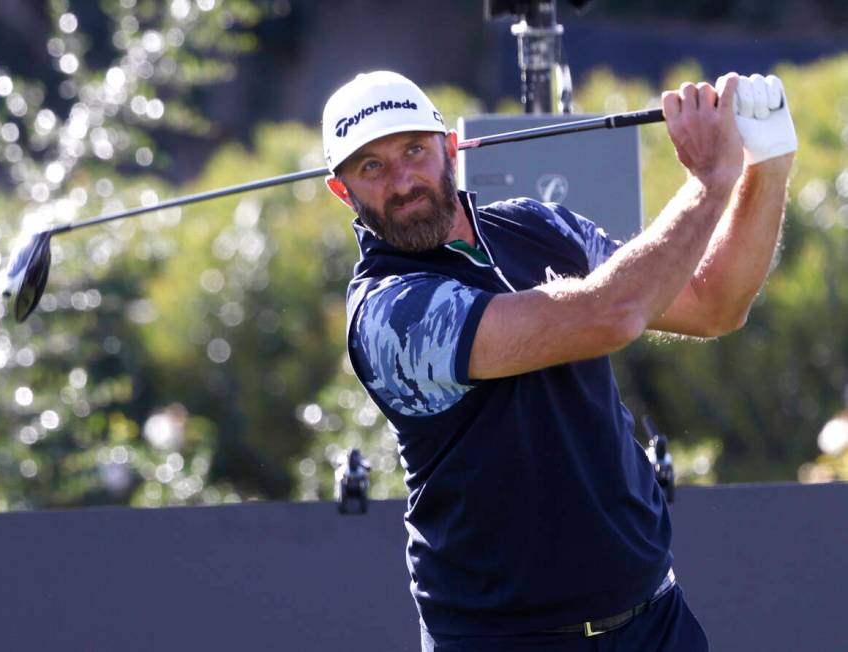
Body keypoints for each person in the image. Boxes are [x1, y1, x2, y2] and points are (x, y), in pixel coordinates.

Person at [320, 70, 795, 651]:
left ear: (450, 149)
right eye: (371, 167)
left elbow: (715, 304)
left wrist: (765, 160)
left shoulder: (540, 226)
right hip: (502, 638)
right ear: (343, 191)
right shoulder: (389, 312)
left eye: (414, 150)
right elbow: (611, 314)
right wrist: (708, 181)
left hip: (652, 621)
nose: (402, 181)